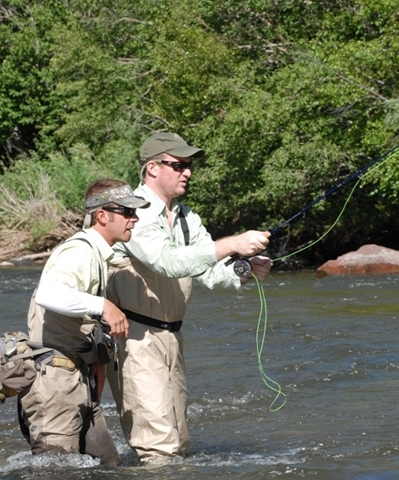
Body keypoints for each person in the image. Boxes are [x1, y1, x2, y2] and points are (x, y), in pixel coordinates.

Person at [106, 132, 273, 463]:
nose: (188, 172)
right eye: (178, 165)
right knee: (157, 447)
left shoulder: (187, 218)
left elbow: (209, 271)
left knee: (179, 441)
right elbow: (167, 262)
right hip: (134, 338)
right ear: (152, 168)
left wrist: (245, 269)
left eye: (189, 165)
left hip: (171, 336)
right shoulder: (131, 214)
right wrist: (233, 242)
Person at [18, 178, 150, 466]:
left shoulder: (98, 252)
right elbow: (48, 294)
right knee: (57, 471)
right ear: (102, 215)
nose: (134, 218)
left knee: (109, 467)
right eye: (128, 212)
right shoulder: (79, 251)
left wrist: (98, 361)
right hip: (54, 386)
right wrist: (103, 305)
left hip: (79, 380)